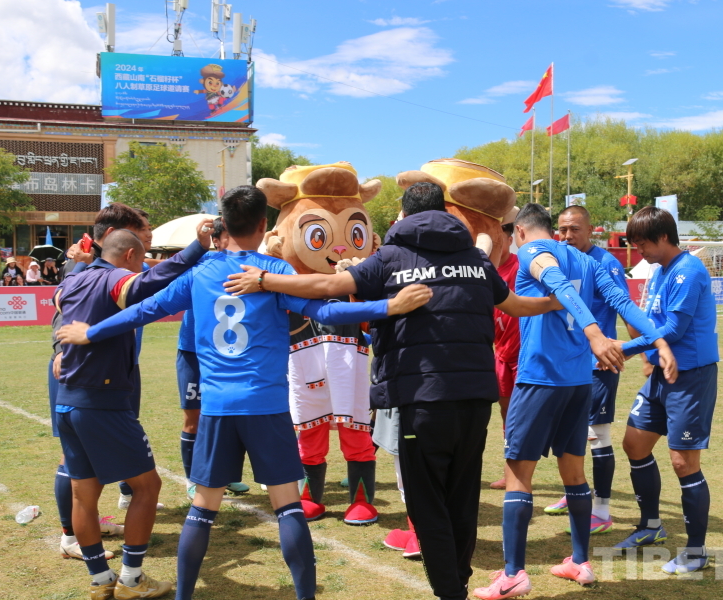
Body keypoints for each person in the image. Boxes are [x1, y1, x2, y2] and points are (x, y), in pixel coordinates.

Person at [223, 183, 605, 600]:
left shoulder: (391, 257)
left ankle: (450, 590)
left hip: (422, 400)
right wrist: (555, 302)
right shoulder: (475, 260)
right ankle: (458, 579)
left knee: (427, 503)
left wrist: (266, 279)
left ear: (404, 215)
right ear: (446, 214)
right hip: (475, 400)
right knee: (462, 497)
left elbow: (329, 287)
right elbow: (513, 305)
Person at [56, 185, 433, 600]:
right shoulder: (273, 271)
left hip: (216, 408)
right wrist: (387, 307)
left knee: (202, 510)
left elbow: (144, 310)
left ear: (223, 224)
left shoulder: (200, 272)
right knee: (287, 506)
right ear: (263, 225)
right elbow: (326, 310)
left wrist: (90, 333)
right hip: (266, 406)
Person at [472, 203, 676, 596]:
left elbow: (557, 284)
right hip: (579, 382)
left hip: (540, 379)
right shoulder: (586, 260)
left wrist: (595, 334)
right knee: (574, 473)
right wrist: (659, 340)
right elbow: (623, 302)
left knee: (518, 475)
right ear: (552, 227)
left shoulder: (533, 250)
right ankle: (580, 562)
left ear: (519, 231)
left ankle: (513, 574)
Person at [51, 224, 212, 600]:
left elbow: (59, 314)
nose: (141, 267)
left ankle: (100, 580)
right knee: (147, 487)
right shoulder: (116, 278)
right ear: (128, 256)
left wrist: (58, 351)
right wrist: (198, 246)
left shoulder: (73, 279)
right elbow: (150, 282)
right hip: (103, 401)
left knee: (83, 495)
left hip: (67, 399)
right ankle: (131, 579)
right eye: (140, 260)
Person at [613, 206, 719, 575]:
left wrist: (624, 350)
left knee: (683, 462)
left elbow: (673, 330)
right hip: (661, 375)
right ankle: (651, 527)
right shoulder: (660, 271)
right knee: (634, 444)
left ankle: (696, 551)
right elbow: (651, 324)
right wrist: (643, 354)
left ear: (662, 237)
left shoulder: (689, 271)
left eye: (642, 243)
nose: (638, 251)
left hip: (690, 378)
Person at [542, 205, 631, 534]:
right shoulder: (558, 259)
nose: (567, 236)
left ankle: (602, 511)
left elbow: (624, 306)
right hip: (568, 363)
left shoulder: (606, 263)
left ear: (590, 230)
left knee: (598, 435)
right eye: (562, 229)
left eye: (574, 229)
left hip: (598, 364)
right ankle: (576, 492)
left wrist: (644, 351)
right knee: (569, 433)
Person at [178, 218, 248, 499]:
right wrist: (198, 244)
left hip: (229, 353)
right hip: (193, 352)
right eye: (228, 235)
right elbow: (166, 268)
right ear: (216, 240)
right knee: (194, 418)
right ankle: (192, 479)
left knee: (230, 415)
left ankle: (226, 477)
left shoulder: (250, 265)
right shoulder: (201, 264)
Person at [489, 212, 521, 490]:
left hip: (523, 354)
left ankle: (520, 474)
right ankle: (509, 471)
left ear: (510, 239)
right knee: (506, 412)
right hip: (500, 353)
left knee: (524, 413)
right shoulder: (484, 271)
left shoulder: (522, 268)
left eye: (500, 237)